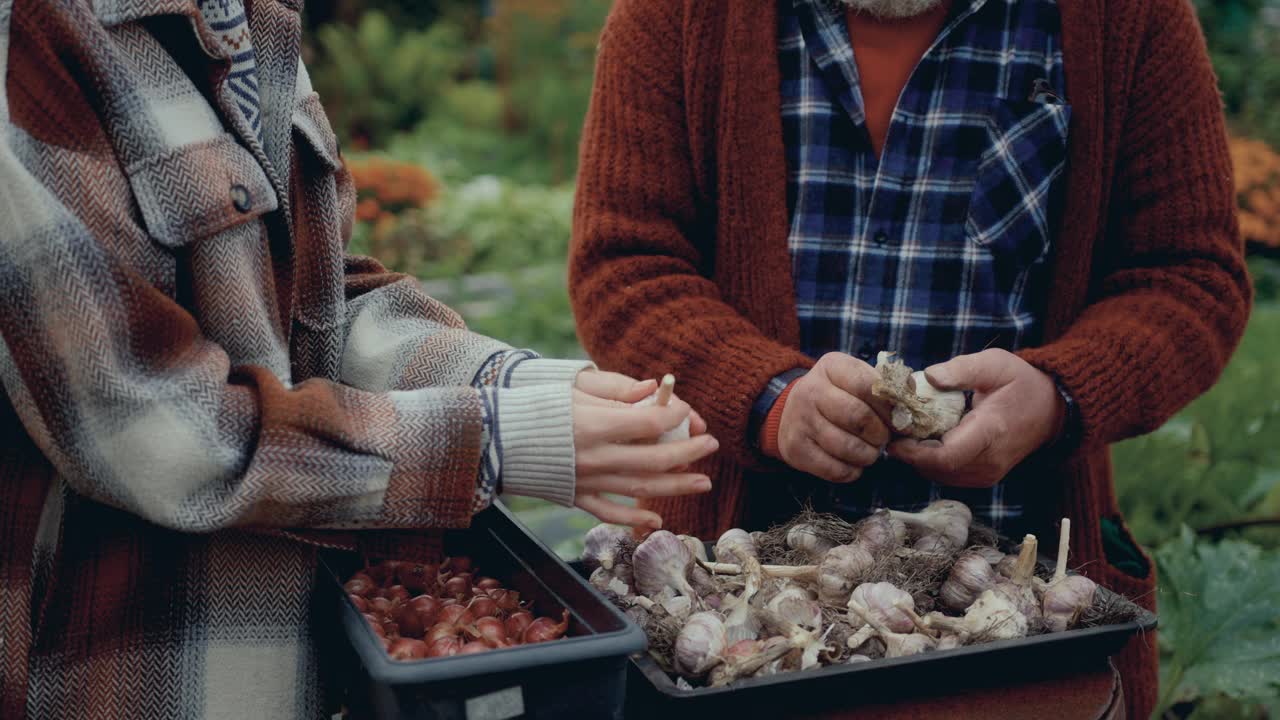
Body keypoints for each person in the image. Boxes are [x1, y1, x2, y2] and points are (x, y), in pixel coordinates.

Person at [0, 1, 717, 717]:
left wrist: (514, 385)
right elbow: (152, 423)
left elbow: (324, 304)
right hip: (131, 677)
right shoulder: (31, 38)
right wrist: (487, 441)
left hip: (297, 661)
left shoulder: (252, 21)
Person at [567, 0, 1252, 716]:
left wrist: (1057, 396)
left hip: (1017, 623)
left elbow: (1188, 278)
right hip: (732, 599)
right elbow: (626, 269)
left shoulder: (1126, 19)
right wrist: (770, 399)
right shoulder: (674, 16)